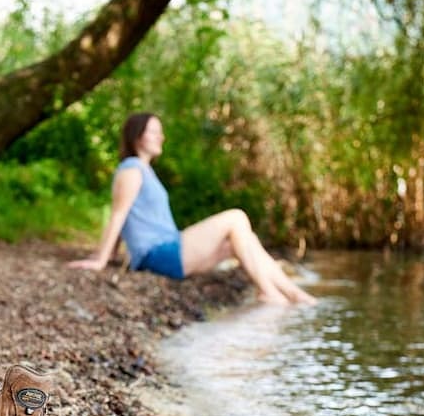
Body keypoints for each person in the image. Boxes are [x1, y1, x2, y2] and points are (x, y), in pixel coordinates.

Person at [68, 112, 316, 306]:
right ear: (137, 136)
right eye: (154, 132)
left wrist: (112, 254)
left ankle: (293, 294)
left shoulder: (145, 170)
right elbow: (119, 214)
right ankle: (268, 291)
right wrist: (101, 259)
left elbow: (129, 216)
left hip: (169, 250)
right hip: (160, 254)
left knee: (243, 240)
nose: (160, 137)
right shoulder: (132, 168)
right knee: (236, 217)